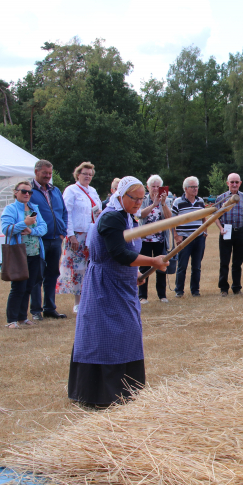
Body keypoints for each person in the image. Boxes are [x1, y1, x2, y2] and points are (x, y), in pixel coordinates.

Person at [68, 177, 168, 408]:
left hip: (122, 283)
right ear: (121, 195)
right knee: (105, 333)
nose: (138, 203)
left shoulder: (125, 216)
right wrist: (152, 260)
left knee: (127, 331)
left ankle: (127, 389)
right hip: (105, 286)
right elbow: (119, 253)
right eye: (134, 198)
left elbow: (123, 256)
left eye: (141, 199)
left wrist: (134, 275)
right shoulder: (111, 217)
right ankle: (102, 393)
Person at [1, 181, 47, 329]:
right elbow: (7, 229)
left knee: (29, 286)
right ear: (16, 192)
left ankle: (22, 317)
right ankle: (12, 319)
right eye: (23, 191)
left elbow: (43, 227)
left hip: (35, 252)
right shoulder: (10, 209)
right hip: (19, 253)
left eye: (29, 192)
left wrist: (31, 231)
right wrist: (24, 223)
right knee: (18, 287)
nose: (27, 194)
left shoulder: (34, 209)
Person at [57, 162, 102, 313]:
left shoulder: (93, 191)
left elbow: (97, 213)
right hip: (77, 235)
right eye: (85, 174)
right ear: (78, 175)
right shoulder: (71, 190)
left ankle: (90, 298)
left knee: (91, 267)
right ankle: (78, 302)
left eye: (90, 174)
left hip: (91, 234)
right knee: (78, 269)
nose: (88, 176)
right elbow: (67, 213)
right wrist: (70, 235)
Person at [29, 159, 69, 320]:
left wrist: (62, 231)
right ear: (36, 172)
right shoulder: (29, 191)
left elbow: (64, 212)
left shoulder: (55, 191)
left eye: (50, 173)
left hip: (56, 238)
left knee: (53, 274)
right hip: (39, 239)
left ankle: (50, 307)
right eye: (45, 173)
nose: (47, 176)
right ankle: (36, 310)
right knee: (37, 275)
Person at [215, 173, 243, 296]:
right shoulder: (221, 198)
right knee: (224, 261)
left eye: (236, 182)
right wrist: (221, 228)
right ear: (227, 183)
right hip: (226, 230)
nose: (234, 184)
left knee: (238, 262)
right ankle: (223, 288)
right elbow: (215, 216)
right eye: (232, 182)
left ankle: (237, 288)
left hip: (241, 231)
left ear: (240, 183)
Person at [138, 174, 174, 303]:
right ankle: (142, 296)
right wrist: (154, 204)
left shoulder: (167, 200)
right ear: (148, 187)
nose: (155, 189)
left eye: (158, 186)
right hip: (145, 239)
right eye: (153, 186)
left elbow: (169, 218)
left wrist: (163, 203)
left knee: (161, 266)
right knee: (144, 267)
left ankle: (162, 295)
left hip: (160, 239)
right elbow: (140, 215)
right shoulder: (143, 199)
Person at [171, 176, 208, 298]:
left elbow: (204, 218)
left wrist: (204, 232)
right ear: (186, 188)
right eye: (192, 187)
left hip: (199, 238)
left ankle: (195, 290)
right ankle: (179, 290)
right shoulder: (177, 202)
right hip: (184, 238)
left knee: (196, 266)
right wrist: (176, 236)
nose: (195, 189)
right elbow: (172, 221)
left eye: (196, 186)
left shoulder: (200, 201)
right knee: (182, 265)